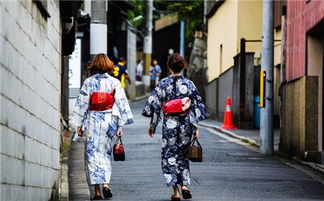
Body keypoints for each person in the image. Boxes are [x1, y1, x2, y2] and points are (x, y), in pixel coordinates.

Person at [142, 53, 209, 201]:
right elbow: (195, 107)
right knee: (183, 155)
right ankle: (185, 185)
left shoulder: (163, 84)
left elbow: (155, 106)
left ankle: (176, 192)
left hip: (170, 126)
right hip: (186, 125)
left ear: (169, 67)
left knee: (169, 156)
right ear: (183, 66)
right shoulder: (189, 84)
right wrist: (195, 128)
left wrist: (152, 125)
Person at [72, 54, 134, 200]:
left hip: (93, 120)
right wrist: (120, 126)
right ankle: (106, 184)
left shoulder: (89, 82)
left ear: (94, 65)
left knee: (93, 154)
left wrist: (79, 124)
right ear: (108, 65)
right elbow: (121, 103)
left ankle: (97, 191)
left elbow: (82, 104)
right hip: (110, 120)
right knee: (105, 154)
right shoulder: (114, 82)